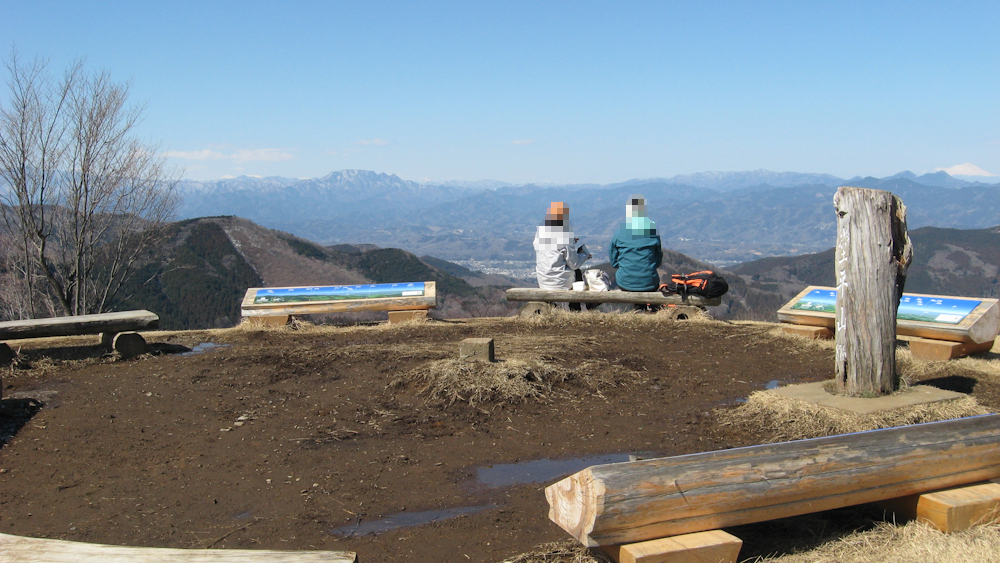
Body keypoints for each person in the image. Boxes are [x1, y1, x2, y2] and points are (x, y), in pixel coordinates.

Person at [533, 201, 593, 311]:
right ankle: (576, 310)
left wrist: (570, 243)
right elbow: (574, 264)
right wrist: (584, 255)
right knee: (578, 272)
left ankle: (554, 308)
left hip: (543, 280)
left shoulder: (539, 233)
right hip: (559, 282)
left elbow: (551, 249)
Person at [609, 195, 663, 312]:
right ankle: (651, 311)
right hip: (649, 282)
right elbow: (658, 260)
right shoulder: (653, 232)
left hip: (625, 281)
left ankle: (634, 312)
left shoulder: (620, 233)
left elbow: (614, 262)